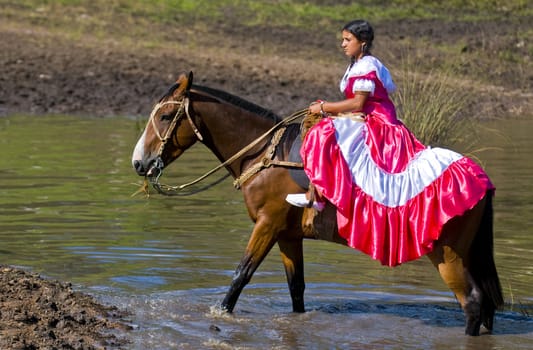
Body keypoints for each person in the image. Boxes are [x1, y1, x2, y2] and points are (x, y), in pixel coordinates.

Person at [286, 20, 494, 266]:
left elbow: (358, 104)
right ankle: (320, 193)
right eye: (342, 40)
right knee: (325, 130)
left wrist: (324, 107)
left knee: (323, 133)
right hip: (365, 117)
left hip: (378, 123)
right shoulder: (358, 64)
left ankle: (318, 197)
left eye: (347, 40)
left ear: (362, 42)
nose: (343, 45)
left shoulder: (368, 65)